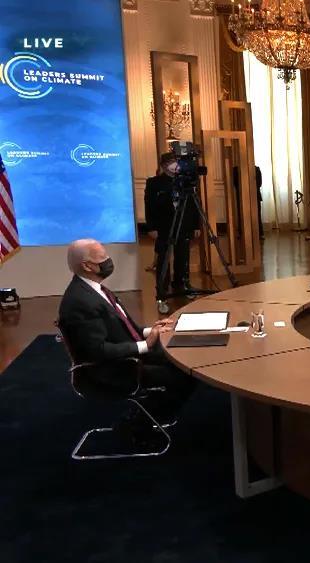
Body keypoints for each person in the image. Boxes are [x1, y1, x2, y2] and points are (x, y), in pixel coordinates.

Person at [57, 239, 197, 436]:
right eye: (102, 257)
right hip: (111, 369)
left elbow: (123, 326)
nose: (108, 260)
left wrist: (151, 330)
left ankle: (154, 414)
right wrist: (145, 345)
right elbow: (98, 350)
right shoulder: (80, 301)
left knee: (185, 359)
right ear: (87, 266)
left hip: (126, 353)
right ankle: (137, 424)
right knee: (185, 375)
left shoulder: (94, 288)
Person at [145, 153, 200, 298]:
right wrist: (151, 227)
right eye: (170, 162)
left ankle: (181, 283)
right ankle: (162, 287)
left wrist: (196, 225)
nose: (174, 165)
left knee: (183, 256)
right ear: (163, 165)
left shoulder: (186, 182)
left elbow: (194, 204)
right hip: (163, 226)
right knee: (163, 257)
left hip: (183, 224)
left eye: (176, 161)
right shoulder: (154, 183)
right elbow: (149, 206)